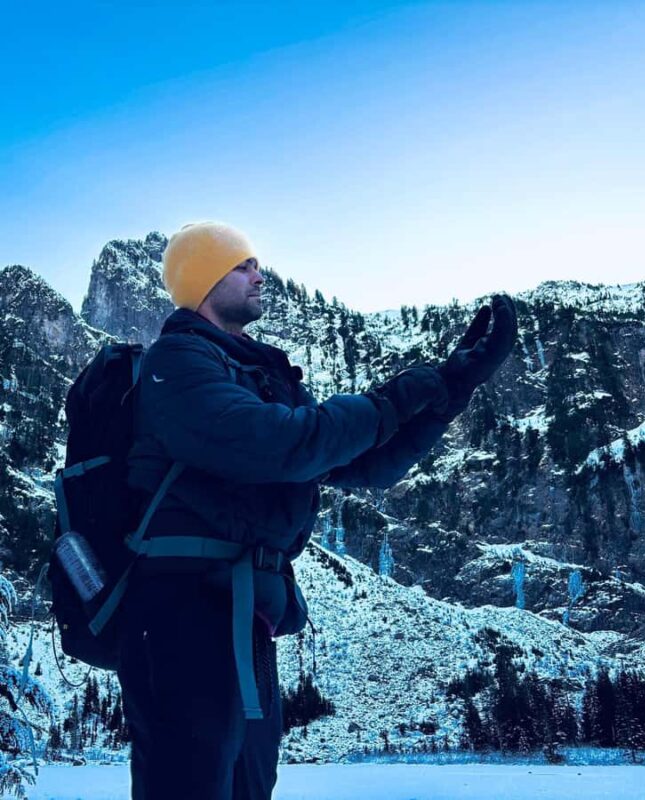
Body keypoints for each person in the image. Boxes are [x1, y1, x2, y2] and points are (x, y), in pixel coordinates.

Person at [116, 221, 518, 799]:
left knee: (250, 787)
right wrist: (397, 396)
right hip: (180, 612)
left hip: (246, 615)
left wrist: (453, 388)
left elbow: (365, 463)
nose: (259, 274)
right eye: (241, 264)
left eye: (256, 263)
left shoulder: (259, 374)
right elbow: (280, 444)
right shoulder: (176, 362)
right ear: (202, 279)